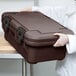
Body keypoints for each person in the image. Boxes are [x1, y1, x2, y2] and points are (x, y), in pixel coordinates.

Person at [23, 3, 76, 76]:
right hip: (67, 68)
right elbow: (59, 12)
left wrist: (69, 39)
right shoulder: (73, 6)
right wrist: (34, 10)